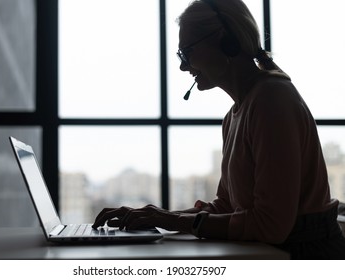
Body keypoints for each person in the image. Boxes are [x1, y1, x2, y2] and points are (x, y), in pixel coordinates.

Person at [93, 0, 345, 259]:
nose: (182, 66)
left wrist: (173, 221)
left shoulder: (271, 100)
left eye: (187, 52)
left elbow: (272, 226)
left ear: (226, 41)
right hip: (276, 252)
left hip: (305, 255)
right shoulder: (236, 114)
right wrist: (157, 216)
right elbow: (226, 205)